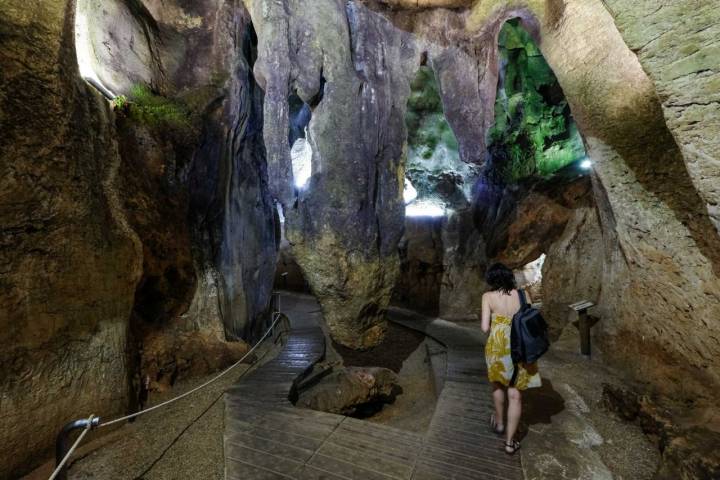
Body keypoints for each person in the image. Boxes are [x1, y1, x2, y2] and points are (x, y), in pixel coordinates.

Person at [481, 262, 541, 455]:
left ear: (491, 278)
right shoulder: (523, 294)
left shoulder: (488, 297)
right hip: (520, 346)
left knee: (497, 385)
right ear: (509, 277)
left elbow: (484, 328)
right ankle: (509, 442)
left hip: (497, 346)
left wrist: (497, 323)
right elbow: (531, 320)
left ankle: (499, 423)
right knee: (515, 395)